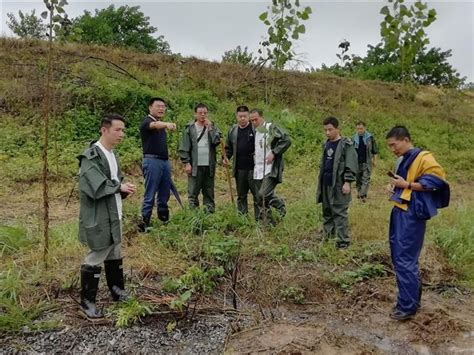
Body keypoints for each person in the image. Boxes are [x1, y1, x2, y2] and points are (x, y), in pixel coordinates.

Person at [386, 126, 449, 321]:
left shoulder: (424, 158)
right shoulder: (402, 160)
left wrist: (407, 186)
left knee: (405, 258)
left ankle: (407, 307)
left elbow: (437, 182)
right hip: (400, 209)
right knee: (399, 256)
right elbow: (403, 183)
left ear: (405, 140)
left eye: (394, 145)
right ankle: (410, 300)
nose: (392, 149)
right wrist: (394, 187)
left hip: (412, 214)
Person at [77, 114, 136, 319]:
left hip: (114, 211)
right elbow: (95, 186)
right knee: (98, 251)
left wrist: (123, 190)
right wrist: (119, 187)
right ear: (104, 130)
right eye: (117, 130)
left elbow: (113, 182)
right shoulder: (91, 156)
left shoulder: (111, 154)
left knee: (114, 251)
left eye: (123, 130)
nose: (122, 134)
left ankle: (117, 291)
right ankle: (87, 302)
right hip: (99, 213)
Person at [316, 116, 358, 249]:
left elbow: (351, 164)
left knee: (339, 212)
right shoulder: (326, 144)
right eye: (325, 130)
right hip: (326, 183)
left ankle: (343, 242)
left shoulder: (346, 144)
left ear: (338, 129)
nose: (327, 133)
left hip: (339, 184)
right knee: (327, 211)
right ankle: (328, 237)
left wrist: (347, 182)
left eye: (330, 130)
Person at [138, 97, 176, 232]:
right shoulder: (147, 122)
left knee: (165, 193)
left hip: (164, 161)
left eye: (163, 106)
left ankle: (164, 220)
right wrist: (166, 124)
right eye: (158, 106)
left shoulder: (160, 123)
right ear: (150, 108)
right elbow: (154, 125)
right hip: (152, 161)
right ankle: (144, 223)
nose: (161, 109)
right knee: (150, 193)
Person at [249, 108, 291, 225]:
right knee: (259, 198)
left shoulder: (271, 128)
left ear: (262, 117)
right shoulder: (255, 130)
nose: (253, 122)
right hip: (258, 168)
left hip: (270, 168)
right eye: (251, 120)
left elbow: (286, 140)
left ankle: (279, 204)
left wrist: (274, 152)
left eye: (255, 119)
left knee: (263, 194)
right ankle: (269, 222)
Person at [178, 103, 222, 213]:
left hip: (209, 165)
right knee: (193, 192)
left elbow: (217, 141)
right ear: (195, 114)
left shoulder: (212, 126)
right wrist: (186, 163)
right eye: (200, 113)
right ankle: (194, 216)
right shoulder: (190, 128)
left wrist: (210, 128)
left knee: (209, 192)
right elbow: (184, 147)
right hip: (195, 165)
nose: (203, 115)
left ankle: (209, 215)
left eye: (205, 113)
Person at [224, 105, 258, 217]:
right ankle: (243, 218)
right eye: (240, 116)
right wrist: (226, 158)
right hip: (239, 169)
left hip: (254, 168)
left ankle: (260, 217)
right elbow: (228, 148)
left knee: (257, 194)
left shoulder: (255, 128)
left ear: (248, 116)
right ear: (236, 117)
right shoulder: (233, 130)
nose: (242, 118)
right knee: (241, 195)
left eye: (245, 116)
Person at [353, 121, 378, 201]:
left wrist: (375, 160)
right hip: (356, 162)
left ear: (364, 128)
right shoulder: (354, 139)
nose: (359, 130)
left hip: (367, 162)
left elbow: (374, 150)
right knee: (358, 180)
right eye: (358, 129)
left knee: (366, 179)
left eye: (361, 128)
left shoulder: (370, 138)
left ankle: (362, 195)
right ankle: (361, 194)